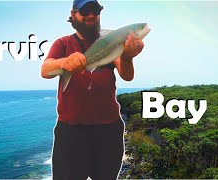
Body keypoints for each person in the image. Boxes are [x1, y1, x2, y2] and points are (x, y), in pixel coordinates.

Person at [41, 0, 145, 179]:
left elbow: (127, 76)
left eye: (95, 10)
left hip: (108, 131)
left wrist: (127, 57)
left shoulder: (110, 39)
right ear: (73, 14)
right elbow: (46, 70)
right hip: (71, 132)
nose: (91, 15)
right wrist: (65, 62)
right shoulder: (63, 43)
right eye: (85, 10)